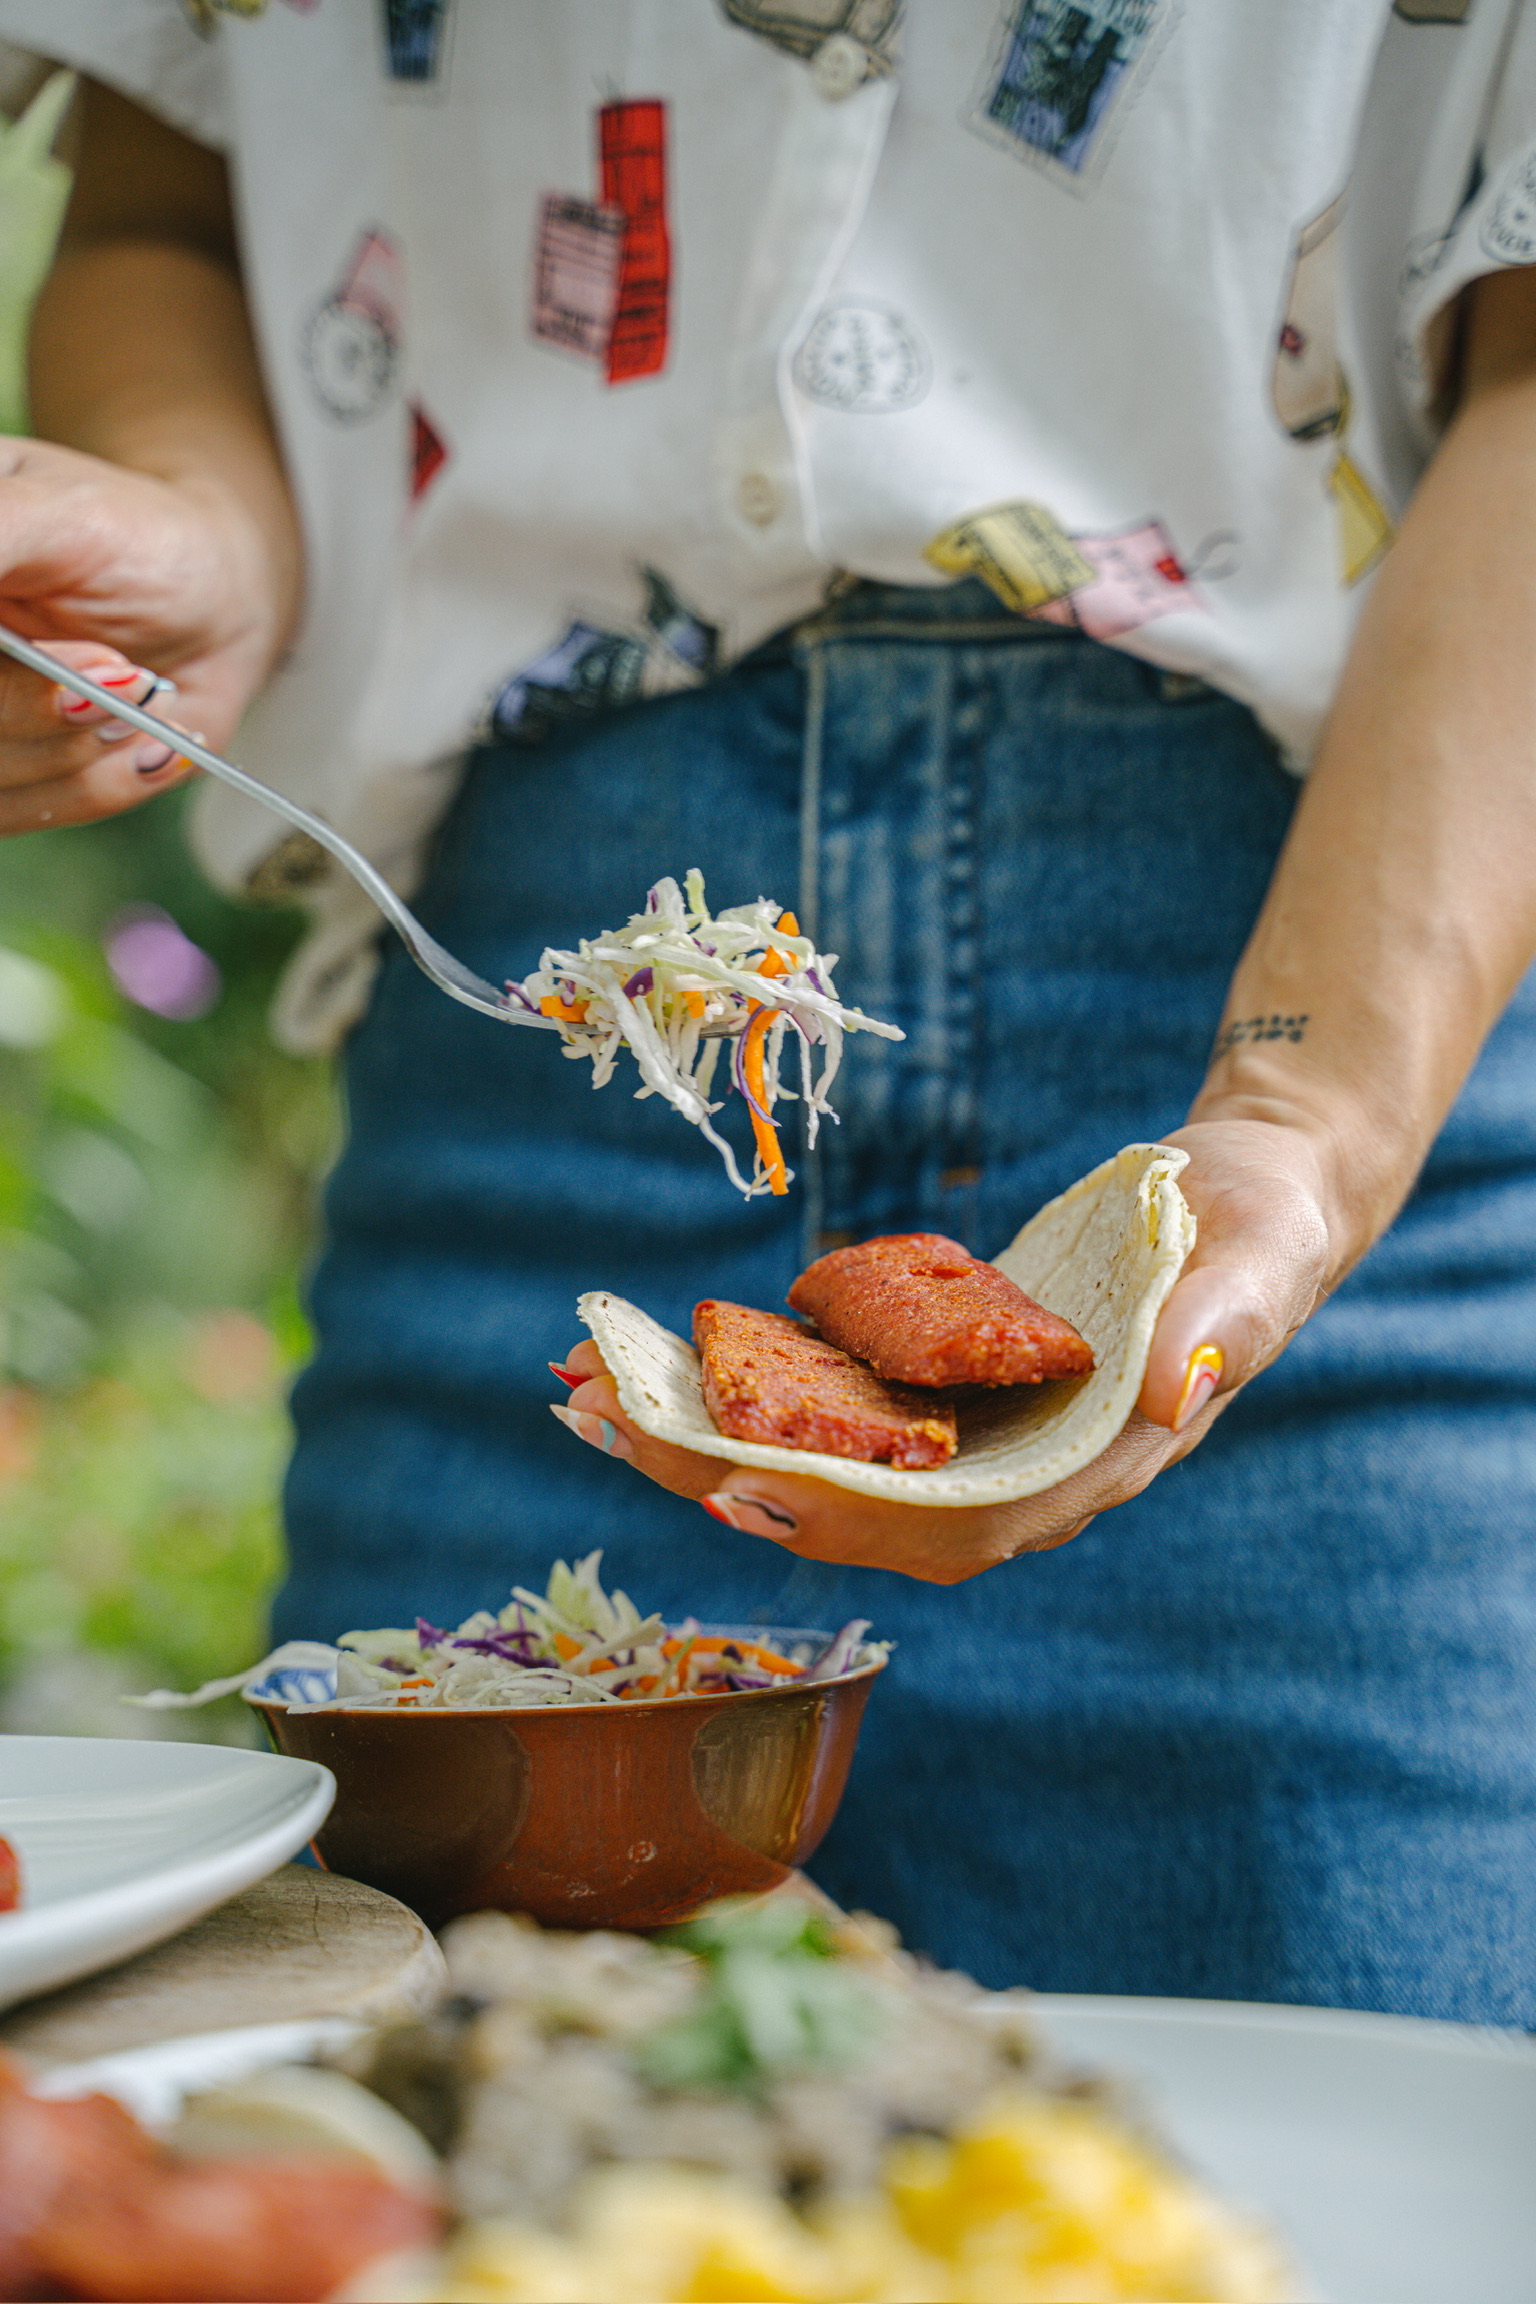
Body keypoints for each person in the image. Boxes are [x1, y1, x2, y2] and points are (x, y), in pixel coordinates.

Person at [1, 1, 1535, 2023]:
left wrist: (1301, 1123)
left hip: (1341, 1021)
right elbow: (170, 188)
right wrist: (198, 527)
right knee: (453, 2133)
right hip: (517, 1107)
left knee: (1357, 2135)